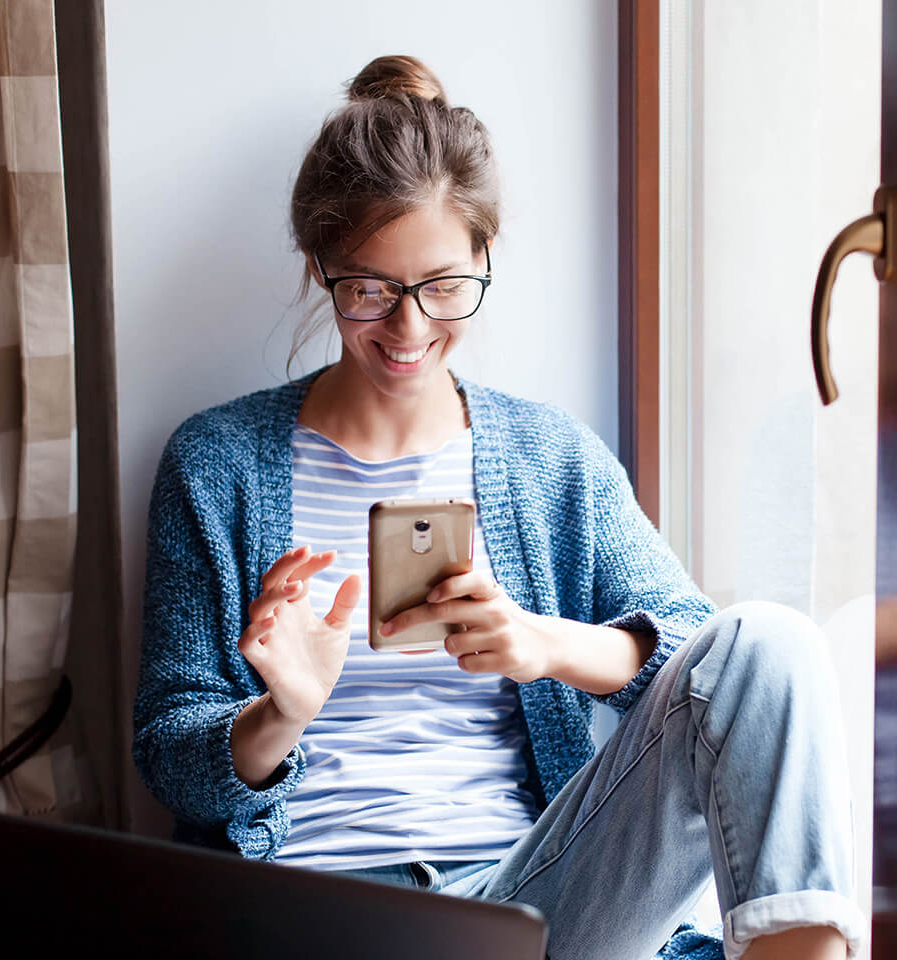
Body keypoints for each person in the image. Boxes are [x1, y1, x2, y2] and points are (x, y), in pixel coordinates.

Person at [133, 55, 864, 960]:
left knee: (772, 643)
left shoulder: (547, 458)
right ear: (321, 267)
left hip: (529, 904)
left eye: (444, 285)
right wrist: (280, 713)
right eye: (371, 289)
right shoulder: (218, 466)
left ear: (485, 256)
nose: (408, 330)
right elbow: (169, 754)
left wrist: (538, 643)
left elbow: (704, 666)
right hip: (314, 915)